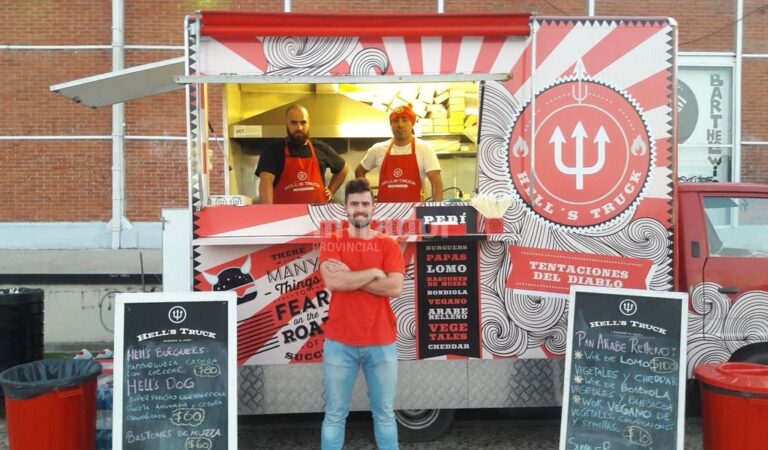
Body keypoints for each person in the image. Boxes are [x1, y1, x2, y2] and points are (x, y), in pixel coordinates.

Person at [318, 178, 405, 450]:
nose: (360, 209)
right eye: (354, 204)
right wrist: (372, 273)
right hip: (339, 342)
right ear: (345, 207)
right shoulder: (332, 241)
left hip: (381, 342)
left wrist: (351, 276)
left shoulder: (388, 244)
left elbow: (394, 287)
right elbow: (334, 283)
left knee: (385, 415)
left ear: (373, 208)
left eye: (365, 204)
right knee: (334, 415)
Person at [256, 104, 349, 204]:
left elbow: (343, 168)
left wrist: (331, 191)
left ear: (309, 123)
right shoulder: (273, 149)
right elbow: (266, 180)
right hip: (286, 217)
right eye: (294, 123)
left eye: (303, 122)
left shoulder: (321, 148)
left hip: (317, 216)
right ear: (286, 123)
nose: (299, 127)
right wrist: (269, 212)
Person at [355, 105, 443, 202]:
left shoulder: (424, 148)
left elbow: (436, 183)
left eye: (405, 120)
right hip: (384, 213)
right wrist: (365, 198)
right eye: (395, 120)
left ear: (412, 123)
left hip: (414, 213)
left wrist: (436, 212)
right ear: (391, 125)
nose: (400, 125)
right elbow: (359, 171)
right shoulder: (378, 149)